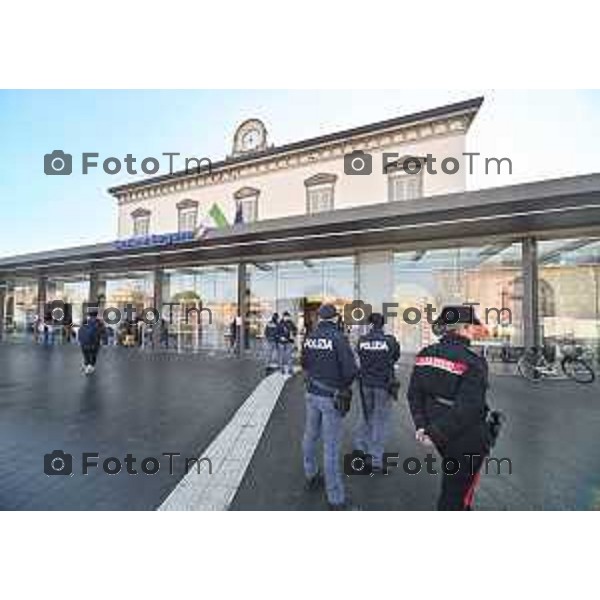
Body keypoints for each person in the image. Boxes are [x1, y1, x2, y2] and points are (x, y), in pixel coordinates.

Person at [406, 305, 492, 510]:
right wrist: (434, 434)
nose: (473, 330)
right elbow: (468, 408)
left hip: (440, 435)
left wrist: (422, 427)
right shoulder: (473, 361)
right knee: (458, 496)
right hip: (466, 439)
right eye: (471, 326)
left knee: (452, 485)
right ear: (462, 328)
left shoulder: (425, 354)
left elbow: (414, 394)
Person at [301, 303, 358, 510]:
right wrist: (342, 385)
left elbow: (304, 364)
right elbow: (351, 370)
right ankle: (336, 499)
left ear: (319, 319)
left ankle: (311, 473)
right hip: (331, 397)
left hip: (312, 393)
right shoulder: (338, 338)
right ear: (335, 319)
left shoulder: (310, 337)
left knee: (310, 434)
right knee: (331, 446)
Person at [354, 312, 400, 470]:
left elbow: (359, 356)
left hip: (365, 383)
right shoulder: (390, 341)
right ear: (383, 325)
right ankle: (376, 459)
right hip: (383, 384)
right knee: (380, 420)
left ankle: (360, 447)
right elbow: (395, 357)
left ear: (370, 324)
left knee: (366, 414)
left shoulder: (362, 341)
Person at [77, 310, 105, 375]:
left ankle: (87, 365)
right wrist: (103, 340)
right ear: (96, 315)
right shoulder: (99, 322)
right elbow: (103, 331)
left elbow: (81, 330)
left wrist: (79, 340)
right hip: (94, 342)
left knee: (86, 354)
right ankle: (90, 367)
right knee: (93, 354)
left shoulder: (85, 321)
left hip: (84, 342)